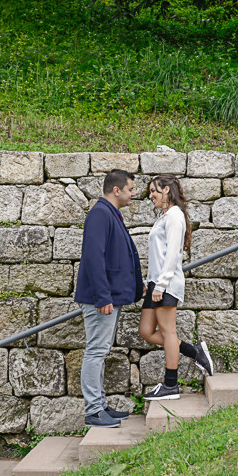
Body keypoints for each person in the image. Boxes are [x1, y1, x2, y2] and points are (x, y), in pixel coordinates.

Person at [75, 169, 144, 428]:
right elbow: (93, 257)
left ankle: (100, 405)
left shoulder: (109, 213)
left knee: (100, 351)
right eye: (130, 189)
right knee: (95, 351)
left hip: (107, 297)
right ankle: (93, 410)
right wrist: (103, 296)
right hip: (100, 299)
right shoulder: (100, 214)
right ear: (116, 190)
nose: (133, 194)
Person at [138, 174, 214, 401]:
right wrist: (149, 282)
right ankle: (194, 352)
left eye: (154, 190)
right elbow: (159, 254)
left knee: (169, 332)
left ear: (167, 191)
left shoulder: (174, 216)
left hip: (166, 284)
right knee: (146, 331)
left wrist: (160, 284)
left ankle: (170, 384)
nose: (150, 195)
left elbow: (173, 255)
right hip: (156, 282)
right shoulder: (165, 217)